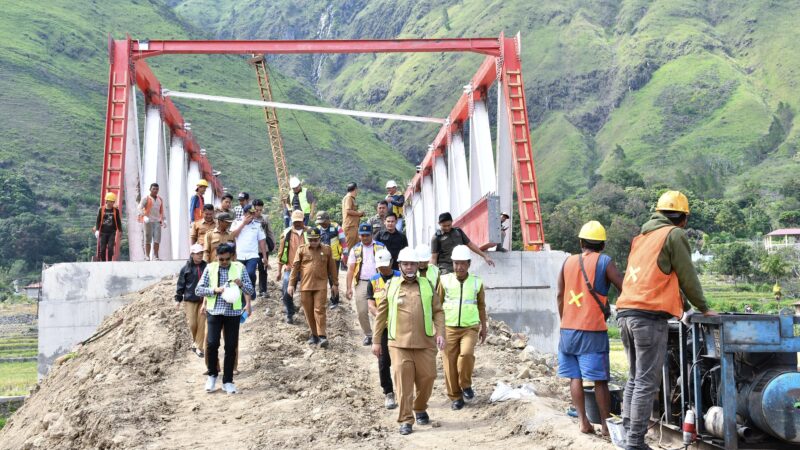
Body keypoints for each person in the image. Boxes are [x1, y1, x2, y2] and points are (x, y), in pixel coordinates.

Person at [616, 191, 717, 450]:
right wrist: (704, 308)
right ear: (682, 219)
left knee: (635, 378)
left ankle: (628, 435)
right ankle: (635, 442)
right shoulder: (674, 235)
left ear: (657, 214)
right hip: (648, 318)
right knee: (646, 382)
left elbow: (664, 280)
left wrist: (682, 309)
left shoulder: (641, 238)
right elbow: (687, 276)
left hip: (625, 313)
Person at [556, 221, 624, 436]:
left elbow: (559, 294)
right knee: (600, 380)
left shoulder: (567, 262)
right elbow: (624, 286)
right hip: (592, 331)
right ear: (602, 245)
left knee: (575, 377)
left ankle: (584, 422)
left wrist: (564, 319)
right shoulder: (604, 261)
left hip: (567, 330)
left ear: (581, 242)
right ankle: (605, 426)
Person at [372, 247, 445, 435]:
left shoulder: (427, 284)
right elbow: (381, 314)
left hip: (425, 342)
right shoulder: (392, 285)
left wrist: (441, 333)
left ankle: (419, 407)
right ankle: (405, 419)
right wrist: (376, 341)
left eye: (412, 263)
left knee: (428, 378)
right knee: (403, 384)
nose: (410, 267)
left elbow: (438, 311)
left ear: (417, 264)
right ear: (400, 266)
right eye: (406, 264)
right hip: (399, 344)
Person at [196, 243, 253, 394]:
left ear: (232, 257)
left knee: (230, 346)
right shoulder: (210, 268)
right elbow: (198, 289)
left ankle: (228, 380)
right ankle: (212, 375)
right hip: (214, 311)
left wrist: (241, 285)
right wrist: (214, 290)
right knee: (212, 343)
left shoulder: (240, 268)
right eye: (221, 259)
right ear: (217, 257)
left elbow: (251, 290)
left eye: (227, 259)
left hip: (233, 313)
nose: (224, 262)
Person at [438, 245, 488, 410]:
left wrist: (484, 327)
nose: (459, 267)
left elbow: (481, 306)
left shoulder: (476, 282)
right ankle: (455, 397)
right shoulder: (444, 281)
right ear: (452, 263)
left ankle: (465, 384)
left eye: (462, 263)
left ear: (469, 264)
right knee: (449, 363)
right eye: (456, 263)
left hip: (470, 327)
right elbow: (437, 306)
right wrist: (437, 329)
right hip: (448, 328)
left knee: (466, 354)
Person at [288, 227, 338, 348]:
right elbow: (295, 268)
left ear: (320, 238)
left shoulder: (327, 250)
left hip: (321, 285)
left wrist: (335, 284)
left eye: (316, 240)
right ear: (307, 239)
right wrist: (291, 284)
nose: (313, 242)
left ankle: (322, 336)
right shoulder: (302, 250)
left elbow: (332, 268)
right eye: (311, 240)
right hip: (305, 286)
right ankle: (313, 335)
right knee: (308, 311)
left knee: (320, 309)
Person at [367, 249, 400, 410]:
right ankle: (388, 392)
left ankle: (404, 390)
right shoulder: (373, 281)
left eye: (385, 267)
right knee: (383, 360)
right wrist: (382, 316)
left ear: (391, 263)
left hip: (401, 325)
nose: (383, 270)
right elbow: (371, 304)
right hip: (383, 327)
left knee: (403, 360)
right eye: (380, 267)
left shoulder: (400, 277)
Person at [346, 223, 386, 345]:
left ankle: (379, 334)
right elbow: (351, 269)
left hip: (378, 281)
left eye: (367, 235)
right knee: (362, 310)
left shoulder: (381, 247)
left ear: (371, 234)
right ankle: (368, 334)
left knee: (379, 309)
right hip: (362, 282)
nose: (365, 238)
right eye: (362, 235)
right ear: (359, 236)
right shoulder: (355, 249)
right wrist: (348, 288)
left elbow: (386, 265)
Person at [176, 244, 208, 358]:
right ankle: (196, 343)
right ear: (192, 254)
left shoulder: (206, 267)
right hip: (190, 299)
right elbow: (181, 284)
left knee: (202, 323)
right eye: (198, 253)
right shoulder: (186, 268)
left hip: (204, 299)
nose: (200, 255)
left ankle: (199, 347)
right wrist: (178, 299)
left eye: (201, 253)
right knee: (193, 324)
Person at [276, 210, 308, 324]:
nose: (297, 224)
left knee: (309, 293)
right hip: (290, 268)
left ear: (303, 220)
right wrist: (279, 271)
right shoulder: (287, 233)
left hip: (306, 269)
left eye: (299, 221)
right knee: (286, 290)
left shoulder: (309, 232)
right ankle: (290, 312)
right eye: (295, 221)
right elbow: (281, 253)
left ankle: (309, 314)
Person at [231, 204, 268, 291]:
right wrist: (243, 224)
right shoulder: (236, 222)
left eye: (253, 213)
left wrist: (265, 256)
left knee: (250, 273)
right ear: (244, 213)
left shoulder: (257, 224)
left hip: (252, 255)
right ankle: (244, 296)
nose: (252, 215)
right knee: (240, 276)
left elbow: (262, 241)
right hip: (239, 255)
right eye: (249, 213)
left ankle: (251, 289)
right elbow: (233, 235)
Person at [316, 211, 347, 307]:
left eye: (323, 221)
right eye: (320, 222)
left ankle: (335, 301)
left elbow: (343, 242)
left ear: (328, 220)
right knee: (320, 279)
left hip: (334, 258)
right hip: (321, 258)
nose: (321, 223)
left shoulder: (337, 227)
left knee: (333, 280)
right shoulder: (317, 229)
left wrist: (345, 255)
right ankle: (321, 300)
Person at [138, 183, 167, 261]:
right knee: (148, 239)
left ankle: (155, 256)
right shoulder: (146, 199)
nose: (155, 190)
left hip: (157, 221)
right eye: (153, 189)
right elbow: (139, 207)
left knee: (157, 239)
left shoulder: (160, 199)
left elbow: (161, 210)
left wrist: (164, 219)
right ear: (150, 189)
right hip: (148, 221)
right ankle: (147, 256)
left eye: (157, 189)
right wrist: (144, 216)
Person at [253, 199, 275, 298]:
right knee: (251, 270)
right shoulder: (249, 218)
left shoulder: (265, 219)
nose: (258, 212)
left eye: (260, 210)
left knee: (263, 270)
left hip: (263, 249)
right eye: (256, 210)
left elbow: (270, 232)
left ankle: (263, 290)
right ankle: (251, 291)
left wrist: (273, 244)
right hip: (252, 248)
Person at [93, 192, 122, 262]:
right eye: (111, 201)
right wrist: (97, 230)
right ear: (107, 201)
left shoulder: (116, 211)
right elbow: (98, 220)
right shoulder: (101, 209)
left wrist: (120, 230)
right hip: (103, 232)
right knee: (102, 249)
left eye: (113, 202)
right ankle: (103, 261)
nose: (112, 203)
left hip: (112, 233)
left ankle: (109, 261)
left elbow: (118, 221)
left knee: (110, 248)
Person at [341, 182, 365, 254]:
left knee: (355, 248)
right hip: (349, 227)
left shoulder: (351, 198)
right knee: (349, 248)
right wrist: (359, 213)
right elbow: (348, 211)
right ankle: (346, 264)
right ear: (355, 189)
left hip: (353, 227)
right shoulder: (348, 198)